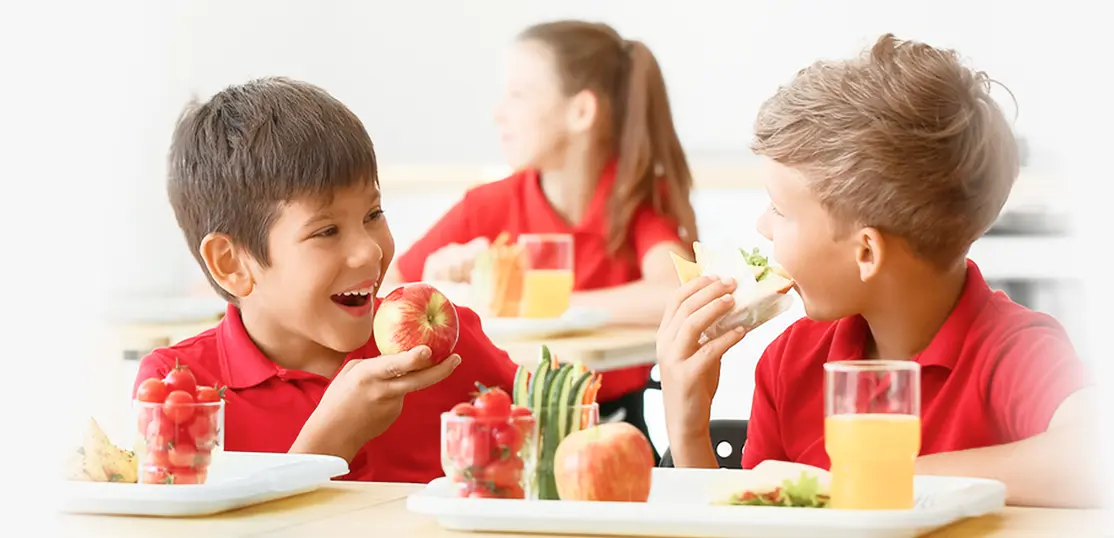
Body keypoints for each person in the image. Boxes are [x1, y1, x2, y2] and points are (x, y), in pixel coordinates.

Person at [656, 34, 1099, 508]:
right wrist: (688, 429)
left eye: (780, 209)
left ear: (866, 252)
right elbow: (750, 526)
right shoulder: (792, 362)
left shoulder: (1013, 350)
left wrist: (878, 480)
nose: (762, 226)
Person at [133, 77, 518, 484]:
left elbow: (555, 440)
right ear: (232, 263)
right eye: (326, 231)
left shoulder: (446, 349)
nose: (369, 251)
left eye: (374, 215)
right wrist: (330, 442)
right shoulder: (178, 391)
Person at [388, 21, 697, 460]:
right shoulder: (488, 206)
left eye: (519, 94)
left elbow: (677, 291)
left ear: (581, 113)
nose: (499, 113)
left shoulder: (633, 202)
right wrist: (439, 285)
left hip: (616, 435)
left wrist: (552, 309)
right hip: (501, 436)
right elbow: (389, 292)